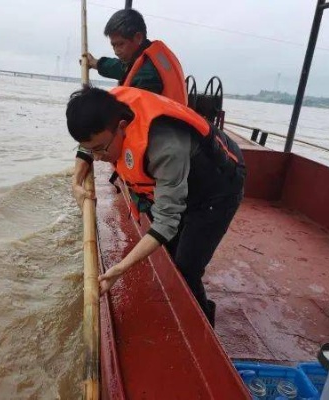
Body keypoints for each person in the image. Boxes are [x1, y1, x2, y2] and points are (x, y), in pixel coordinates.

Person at [66, 86, 246, 326]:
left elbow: (166, 222)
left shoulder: (164, 147)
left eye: (100, 149)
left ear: (121, 127)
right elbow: (88, 144)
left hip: (216, 189)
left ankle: (203, 325)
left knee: (187, 267)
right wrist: (76, 180)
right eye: (92, 150)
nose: (96, 158)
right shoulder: (105, 109)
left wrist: (119, 269)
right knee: (170, 249)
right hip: (181, 179)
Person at [74, 8, 187, 212]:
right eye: (113, 45)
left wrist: (79, 171)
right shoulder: (146, 56)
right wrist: (96, 63)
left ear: (138, 37)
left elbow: (105, 122)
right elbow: (122, 67)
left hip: (163, 147)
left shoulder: (146, 77)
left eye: (120, 44)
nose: (117, 50)